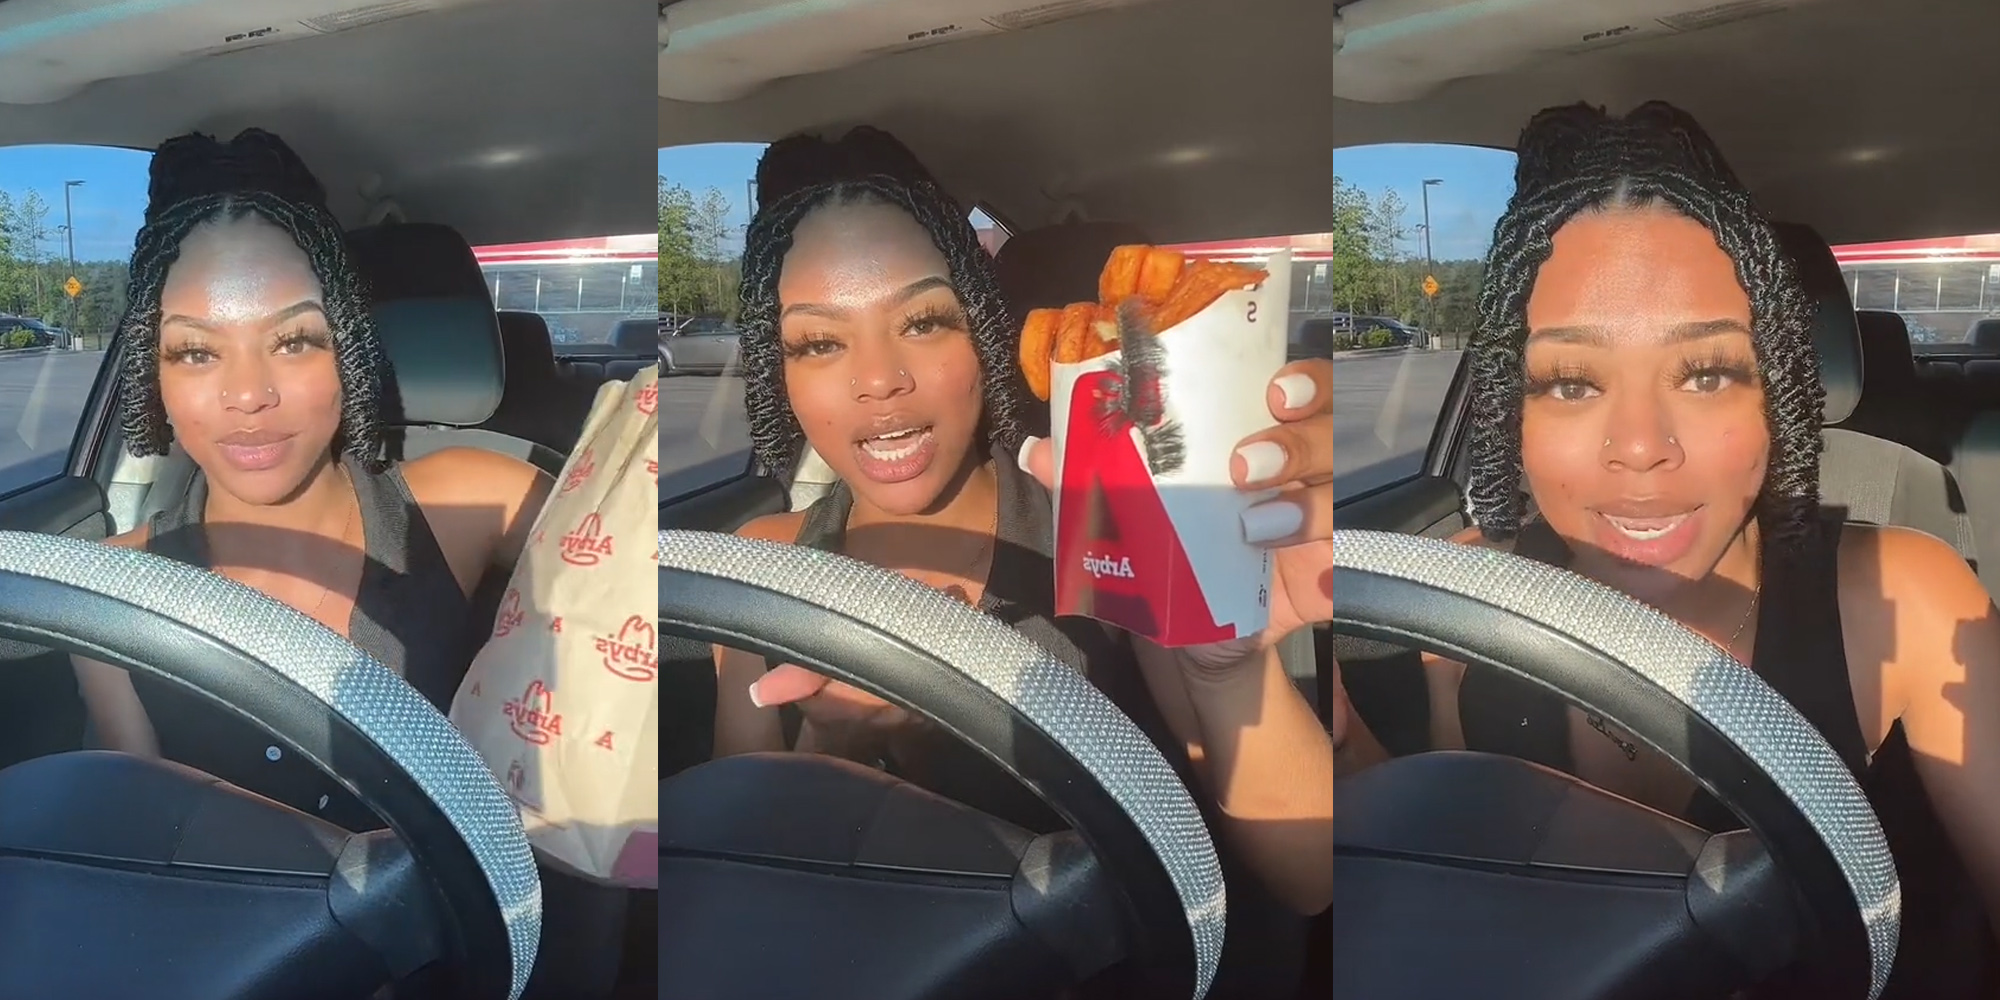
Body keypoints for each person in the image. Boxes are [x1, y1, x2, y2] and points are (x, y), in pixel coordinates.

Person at [1348, 101, 2000, 995]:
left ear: (1774, 393)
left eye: (1705, 373)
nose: (1642, 444)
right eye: (1573, 382)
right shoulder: (1473, 599)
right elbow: (1459, 888)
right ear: (1513, 411)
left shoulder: (1905, 601)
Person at [705, 155, 1336, 928]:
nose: (878, 379)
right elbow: (741, 891)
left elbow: (1308, 880)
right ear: (781, 373)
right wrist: (831, 748)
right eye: (818, 344)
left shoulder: (1109, 527)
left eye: (923, 322)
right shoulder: (757, 566)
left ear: (983, 336)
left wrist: (1232, 665)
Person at [70, 129, 552, 832]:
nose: (248, 395)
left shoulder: (471, 500)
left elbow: (625, 571)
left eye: (294, 340)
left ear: (348, 348)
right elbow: (149, 853)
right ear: (157, 374)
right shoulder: (110, 587)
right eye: (197, 351)